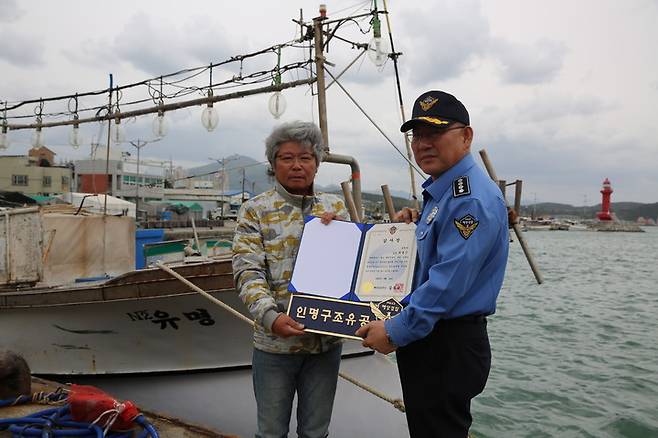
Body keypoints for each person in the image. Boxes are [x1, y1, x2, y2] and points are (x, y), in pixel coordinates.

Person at [356, 90, 509, 437]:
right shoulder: (445, 192)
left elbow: (447, 282)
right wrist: (414, 225)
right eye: (417, 135)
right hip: (435, 341)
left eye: (435, 132)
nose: (423, 143)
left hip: (447, 345)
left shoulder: (468, 199)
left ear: (466, 136)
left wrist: (394, 331)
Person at [232, 121, 347, 438]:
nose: (297, 165)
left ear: (317, 163)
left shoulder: (336, 208)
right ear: (273, 164)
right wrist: (271, 317)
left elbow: (356, 269)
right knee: (270, 432)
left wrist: (344, 234)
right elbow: (247, 270)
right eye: (287, 157)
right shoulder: (255, 210)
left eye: (306, 157)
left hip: (326, 344)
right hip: (274, 346)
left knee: (316, 432)